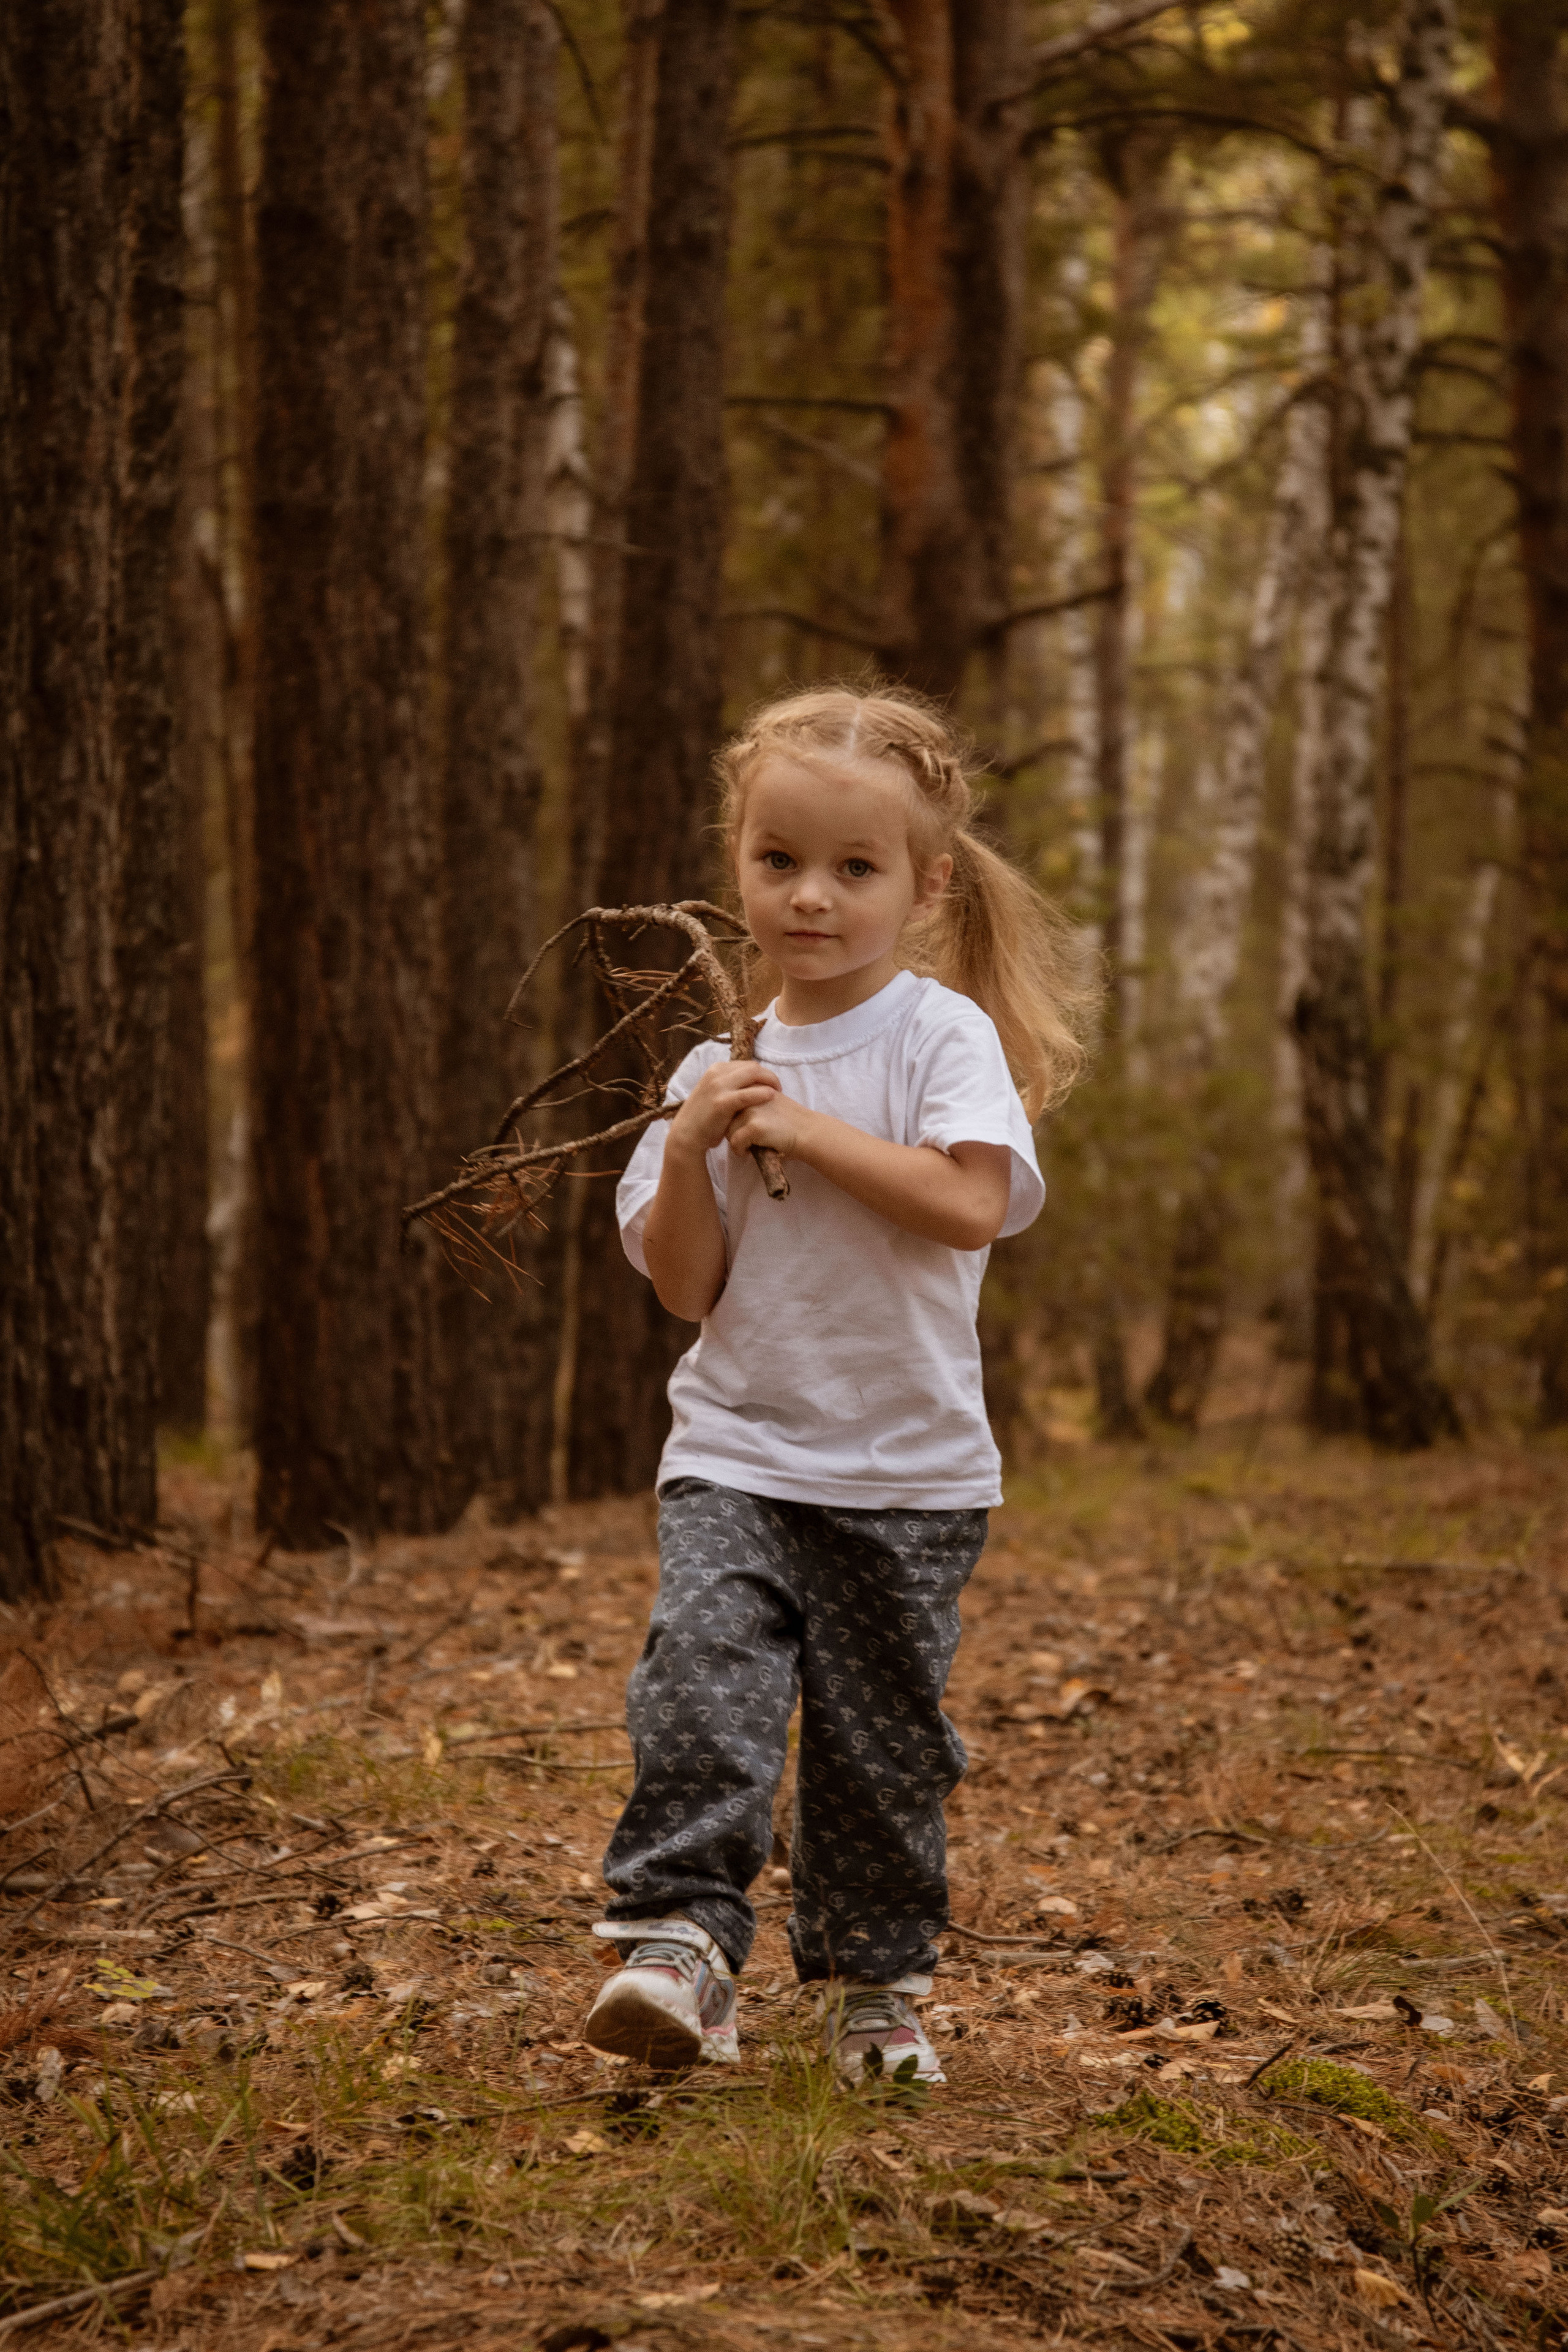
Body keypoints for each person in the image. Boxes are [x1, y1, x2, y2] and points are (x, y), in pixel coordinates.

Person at [582, 682, 1093, 2082]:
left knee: (878, 1750)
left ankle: (874, 1988)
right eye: (779, 860)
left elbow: (969, 1205)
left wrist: (804, 1128)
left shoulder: (939, 1038)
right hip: (737, 1451)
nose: (809, 897)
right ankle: (680, 1946)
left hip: (907, 1472)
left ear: (924, 886)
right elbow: (684, 1289)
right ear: (737, 864)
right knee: (699, 1687)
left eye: (853, 868)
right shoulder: (710, 1069)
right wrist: (690, 1146)